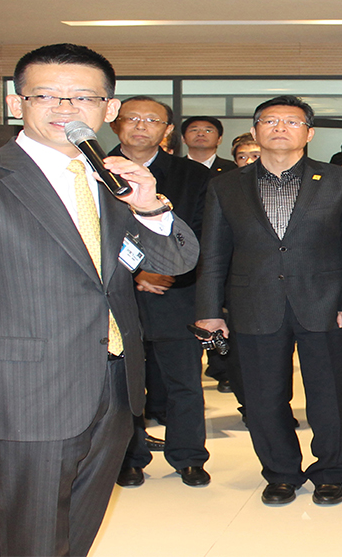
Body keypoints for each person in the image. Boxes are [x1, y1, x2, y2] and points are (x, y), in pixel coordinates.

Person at [0, 43, 198, 556]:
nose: (66, 108)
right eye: (46, 96)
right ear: (16, 104)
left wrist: (150, 206)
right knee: (33, 537)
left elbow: (175, 262)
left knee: (78, 530)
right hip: (25, 390)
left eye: (83, 97)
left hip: (114, 385)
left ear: (108, 109)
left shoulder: (112, 178)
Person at [195, 95, 342, 506]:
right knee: (262, 396)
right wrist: (209, 311)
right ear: (255, 131)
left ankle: (331, 472)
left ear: (309, 134)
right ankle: (280, 473)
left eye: (292, 122)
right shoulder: (226, 185)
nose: (280, 128)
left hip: (328, 304)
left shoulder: (340, 181)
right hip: (253, 303)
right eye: (270, 121)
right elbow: (214, 252)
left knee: (333, 394)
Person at [109, 96, 212, 487]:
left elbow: (202, 232)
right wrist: (138, 271)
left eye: (152, 120)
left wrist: (164, 268)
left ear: (167, 130)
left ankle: (189, 456)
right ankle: (128, 457)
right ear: (115, 124)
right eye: (132, 118)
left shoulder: (192, 175)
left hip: (176, 291)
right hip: (115, 293)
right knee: (123, 384)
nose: (141, 126)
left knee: (184, 381)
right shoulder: (91, 169)